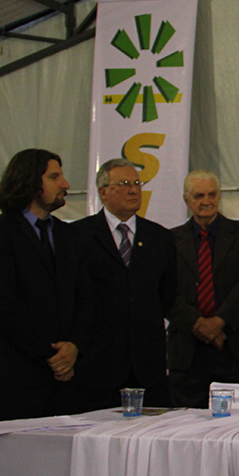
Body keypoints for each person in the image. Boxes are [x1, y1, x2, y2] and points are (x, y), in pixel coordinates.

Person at [0, 149, 91, 422]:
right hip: (12, 380)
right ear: (29, 181)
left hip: (64, 382)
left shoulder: (69, 236)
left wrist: (73, 346)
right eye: (54, 176)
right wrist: (53, 355)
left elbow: (86, 298)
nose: (66, 184)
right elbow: (2, 305)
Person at [75, 159, 178, 409]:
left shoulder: (160, 238)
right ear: (103, 192)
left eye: (136, 184)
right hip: (97, 366)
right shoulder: (79, 236)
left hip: (148, 367)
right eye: (124, 184)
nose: (133, 190)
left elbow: (168, 295)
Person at [166, 171, 239, 408]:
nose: (206, 201)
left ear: (219, 196)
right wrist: (199, 324)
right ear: (186, 200)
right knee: (185, 429)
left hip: (235, 347)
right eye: (199, 195)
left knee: (237, 429)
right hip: (187, 352)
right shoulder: (169, 240)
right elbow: (165, 290)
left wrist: (219, 322)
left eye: (212, 194)